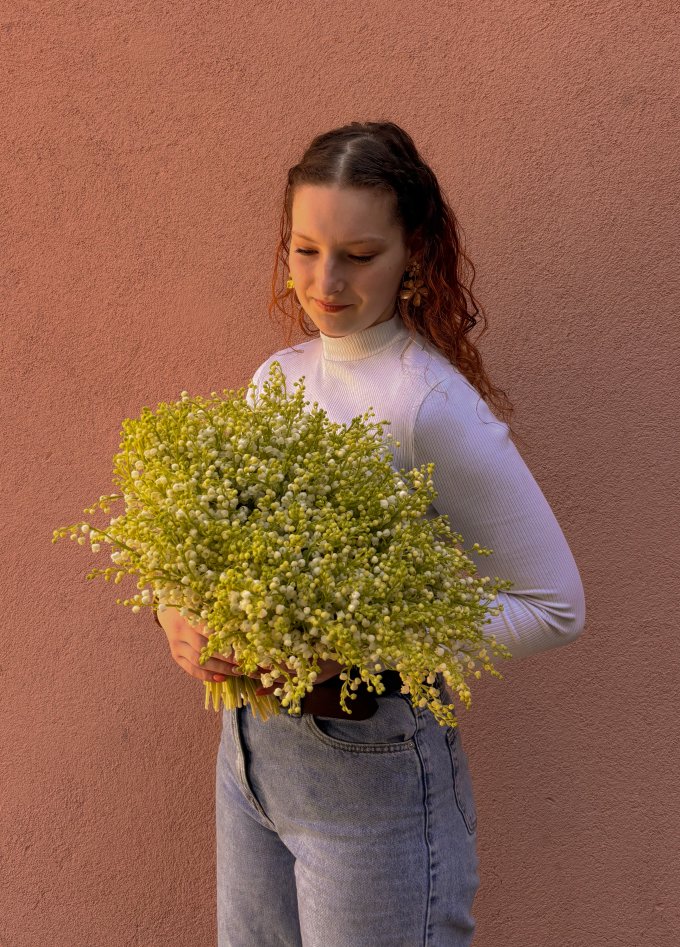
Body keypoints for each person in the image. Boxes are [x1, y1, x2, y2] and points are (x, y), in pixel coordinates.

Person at [157, 121, 586, 946]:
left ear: (413, 253)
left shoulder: (428, 404)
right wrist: (179, 612)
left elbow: (556, 605)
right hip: (248, 761)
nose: (325, 281)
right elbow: (215, 546)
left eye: (359, 255)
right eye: (306, 249)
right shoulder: (276, 380)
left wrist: (369, 648)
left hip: (374, 775)